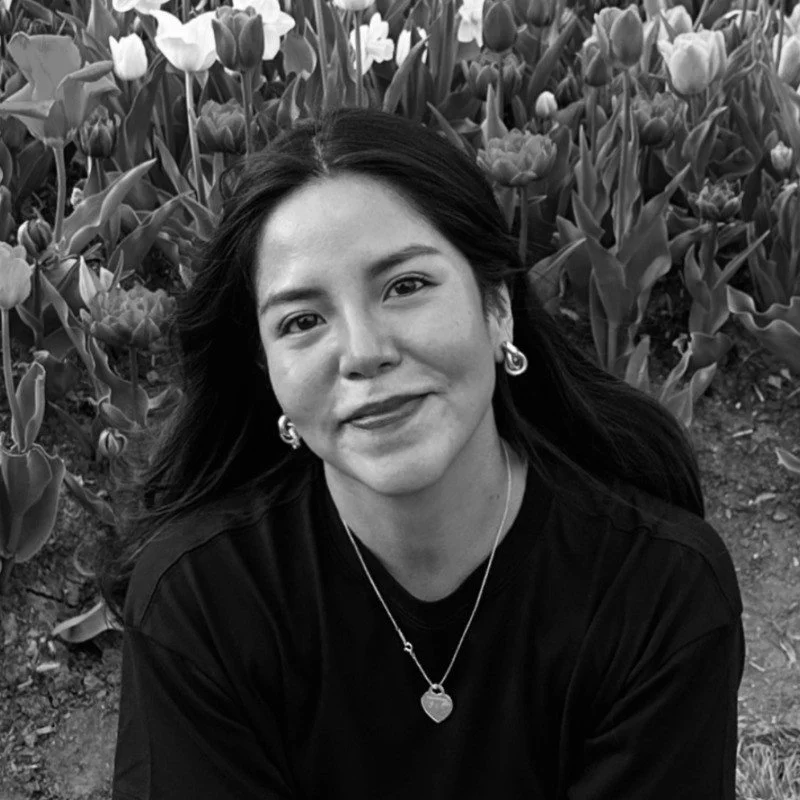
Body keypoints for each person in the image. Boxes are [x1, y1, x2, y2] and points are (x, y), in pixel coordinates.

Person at [106, 107, 744, 800]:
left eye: (405, 286)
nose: (364, 353)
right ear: (266, 371)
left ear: (496, 306)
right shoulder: (201, 601)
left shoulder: (656, 592)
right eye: (301, 321)